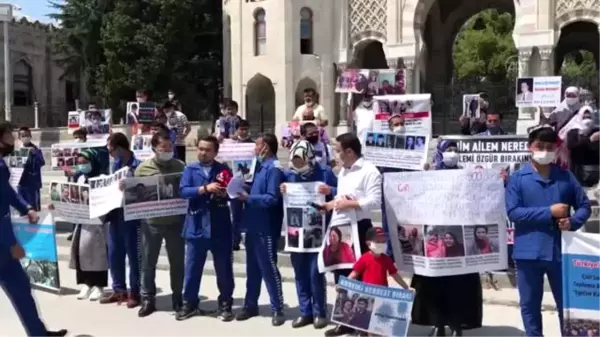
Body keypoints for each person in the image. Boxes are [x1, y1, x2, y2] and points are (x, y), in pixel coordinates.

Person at [506, 125, 591, 337]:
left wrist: (573, 221)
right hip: (528, 252)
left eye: (549, 147)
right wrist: (549, 212)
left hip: (561, 252)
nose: (544, 150)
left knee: (568, 305)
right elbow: (514, 213)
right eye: (540, 146)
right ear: (530, 147)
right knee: (530, 306)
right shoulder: (517, 178)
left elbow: (585, 206)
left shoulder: (565, 176)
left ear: (556, 149)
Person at [0, 122, 68, 337]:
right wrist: (12, 245)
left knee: (22, 291)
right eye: (9, 135)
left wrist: (26, 207)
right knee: (20, 290)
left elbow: (8, 192)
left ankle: (38, 334)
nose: (14, 139)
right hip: (3, 247)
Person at [411, 140, 482, 337]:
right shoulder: (429, 175)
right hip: (435, 240)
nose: (452, 153)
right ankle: (438, 325)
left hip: (457, 239)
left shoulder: (466, 175)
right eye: (448, 150)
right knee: (434, 286)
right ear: (440, 153)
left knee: (459, 287)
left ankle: (457, 326)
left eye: (455, 150)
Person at [322, 133, 381, 337]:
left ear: (349, 151)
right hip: (340, 228)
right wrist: (328, 205)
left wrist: (351, 204)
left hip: (361, 227)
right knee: (342, 275)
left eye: (338, 151)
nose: (336, 155)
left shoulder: (369, 171)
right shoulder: (343, 173)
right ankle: (346, 321)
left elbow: (374, 201)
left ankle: (365, 325)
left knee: (362, 275)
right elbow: (339, 199)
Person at [177, 136, 235, 322]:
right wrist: (204, 189)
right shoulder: (190, 169)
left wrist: (225, 193)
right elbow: (183, 191)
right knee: (192, 268)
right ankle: (189, 303)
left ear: (215, 152)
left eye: (207, 150)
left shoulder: (223, 169)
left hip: (220, 227)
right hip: (196, 226)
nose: (203, 152)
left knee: (224, 269)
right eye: (200, 149)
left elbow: (233, 194)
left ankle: (225, 304)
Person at [280, 140, 337, 329]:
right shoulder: (290, 175)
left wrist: (330, 190)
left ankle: (320, 312)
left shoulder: (325, 172)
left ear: (310, 157)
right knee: (300, 272)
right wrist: (283, 191)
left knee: (315, 272)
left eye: (300, 161)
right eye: (294, 161)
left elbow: (342, 193)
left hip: (318, 231)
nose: (297, 165)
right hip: (296, 232)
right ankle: (305, 312)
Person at [235, 133, 286, 326]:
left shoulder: (274, 168)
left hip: (266, 226)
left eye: (256, 146)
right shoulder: (259, 166)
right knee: (252, 268)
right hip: (253, 224)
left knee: (269, 268)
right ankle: (250, 305)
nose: (254, 149)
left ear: (265, 147)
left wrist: (248, 198)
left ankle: (277, 308)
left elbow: (272, 198)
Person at [135, 130, 187, 317]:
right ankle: (148, 299)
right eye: (163, 147)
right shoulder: (143, 168)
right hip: (151, 223)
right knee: (148, 262)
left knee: (178, 262)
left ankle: (178, 298)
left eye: (170, 147)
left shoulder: (180, 165)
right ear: (154, 149)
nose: (167, 150)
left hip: (175, 222)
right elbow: (136, 194)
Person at [100, 133, 142, 308]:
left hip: (132, 216)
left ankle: (135, 292)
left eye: (111, 150)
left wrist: (130, 185)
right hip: (115, 214)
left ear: (120, 148)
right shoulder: (114, 165)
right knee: (114, 253)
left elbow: (144, 190)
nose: (110, 153)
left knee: (134, 255)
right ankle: (119, 290)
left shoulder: (138, 165)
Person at [64, 149, 110, 301]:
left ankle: (99, 286)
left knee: (97, 252)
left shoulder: (103, 178)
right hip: (83, 220)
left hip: (98, 221)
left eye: (85, 162)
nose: (82, 165)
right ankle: (86, 283)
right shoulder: (81, 178)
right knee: (82, 251)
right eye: (80, 163)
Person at [230, 119, 254, 250]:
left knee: (250, 212)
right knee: (236, 213)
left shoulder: (253, 144)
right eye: (241, 129)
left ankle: (250, 239)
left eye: (245, 129)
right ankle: (235, 240)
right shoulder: (231, 144)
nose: (243, 131)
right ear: (237, 130)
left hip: (250, 182)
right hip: (235, 182)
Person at [567, 105, 600, 187]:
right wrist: (589, 140)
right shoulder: (573, 132)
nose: (587, 120)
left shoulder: (597, 131)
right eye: (584, 117)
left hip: (596, 170)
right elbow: (571, 146)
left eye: (589, 117)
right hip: (578, 170)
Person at [17, 127, 45, 211]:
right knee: (22, 208)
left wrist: (35, 154)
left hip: (33, 185)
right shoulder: (16, 150)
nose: (25, 137)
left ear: (30, 136)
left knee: (33, 209)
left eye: (27, 135)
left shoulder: (36, 149)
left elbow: (42, 162)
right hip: (21, 184)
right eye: (23, 135)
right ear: (19, 137)